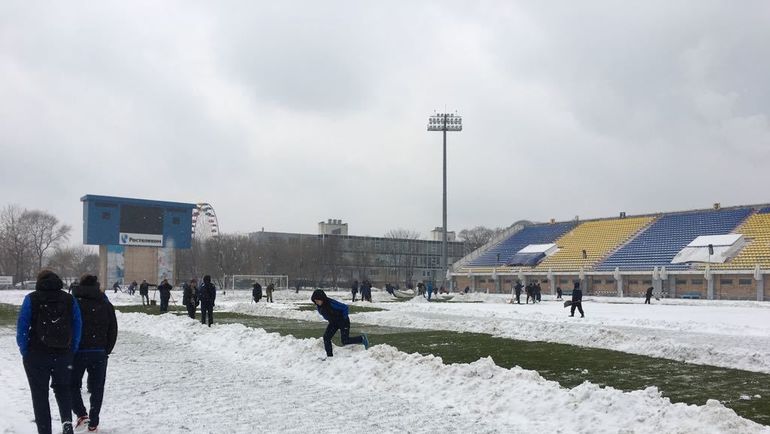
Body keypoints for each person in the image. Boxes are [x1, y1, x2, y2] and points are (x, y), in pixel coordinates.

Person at [16, 269, 83, 434]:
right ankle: (67, 421)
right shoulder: (69, 299)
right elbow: (77, 324)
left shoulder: (31, 299)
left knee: (39, 395)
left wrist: (25, 350)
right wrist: (72, 348)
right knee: (63, 389)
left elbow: (22, 327)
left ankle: (44, 430)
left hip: (36, 354)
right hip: (63, 353)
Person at [70, 274, 118, 433]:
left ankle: (81, 415)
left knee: (73, 385)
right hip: (99, 351)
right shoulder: (104, 302)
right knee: (98, 388)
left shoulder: (74, 302)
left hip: (77, 351)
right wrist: (106, 349)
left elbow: (67, 326)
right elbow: (113, 328)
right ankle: (93, 423)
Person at [310, 289, 369, 358]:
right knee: (326, 337)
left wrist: (344, 318)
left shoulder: (331, 303)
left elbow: (345, 307)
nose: (316, 302)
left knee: (344, 340)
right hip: (333, 323)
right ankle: (329, 357)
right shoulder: (319, 307)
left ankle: (362, 338)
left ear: (322, 298)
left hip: (343, 321)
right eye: (315, 301)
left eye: (317, 300)